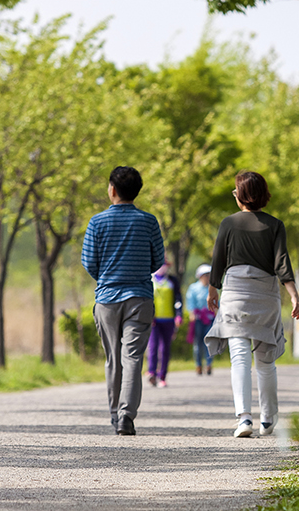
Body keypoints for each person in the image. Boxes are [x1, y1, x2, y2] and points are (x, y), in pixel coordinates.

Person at [204, 171, 299, 438]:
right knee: (265, 361)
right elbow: (282, 264)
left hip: (235, 293)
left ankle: (244, 419)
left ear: (241, 195)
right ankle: (268, 420)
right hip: (265, 296)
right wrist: (295, 295)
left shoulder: (228, 223)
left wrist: (213, 288)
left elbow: (218, 260)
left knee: (239, 357)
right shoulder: (275, 225)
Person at [81, 166, 166, 436]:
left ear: (112, 190)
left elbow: (89, 262)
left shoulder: (97, 222)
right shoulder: (149, 221)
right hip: (140, 297)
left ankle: (114, 413)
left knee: (112, 359)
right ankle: (126, 417)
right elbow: (158, 261)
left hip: (106, 299)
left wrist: (107, 277)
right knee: (132, 359)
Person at [147, 266, 179, 387]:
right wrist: (149, 315)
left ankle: (163, 375)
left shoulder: (172, 281)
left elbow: (178, 298)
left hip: (169, 319)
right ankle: (152, 372)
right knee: (153, 346)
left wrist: (178, 315)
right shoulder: (150, 280)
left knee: (165, 348)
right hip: (154, 320)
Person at [185, 264, 216, 376]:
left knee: (209, 342)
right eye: (205, 275)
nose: (207, 277)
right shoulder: (193, 288)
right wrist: (192, 313)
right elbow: (190, 302)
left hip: (210, 318)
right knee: (197, 343)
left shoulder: (212, 288)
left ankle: (209, 364)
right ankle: (198, 364)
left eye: (209, 275)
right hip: (198, 319)